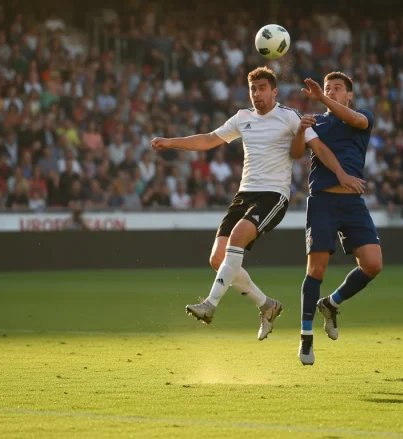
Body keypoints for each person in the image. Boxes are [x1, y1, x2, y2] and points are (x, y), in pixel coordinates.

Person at [150, 67, 363, 340]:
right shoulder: (242, 117)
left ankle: (210, 305)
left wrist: (342, 173)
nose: (257, 94)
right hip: (244, 195)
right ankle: (267, 305)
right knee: (218, 258)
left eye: (262, 88)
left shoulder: (289, 116)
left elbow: (318, 148)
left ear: (274, 91)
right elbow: (208, 140)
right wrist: (170, 142)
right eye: (253, 89)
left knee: (237, 238)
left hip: (273, 195)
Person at [295, 72, 382, 365]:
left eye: (337, 88)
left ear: (349, 95)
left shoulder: (362, 117)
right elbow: (308, 150)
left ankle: (331, 303)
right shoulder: (314, 122)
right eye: (327, 87)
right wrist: (300, 128)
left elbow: (356, 121)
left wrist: (321, 98)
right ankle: (306, 339)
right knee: (316, 269)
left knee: (373, 264)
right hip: (323, 201)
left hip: (353, 202)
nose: (331, 91)